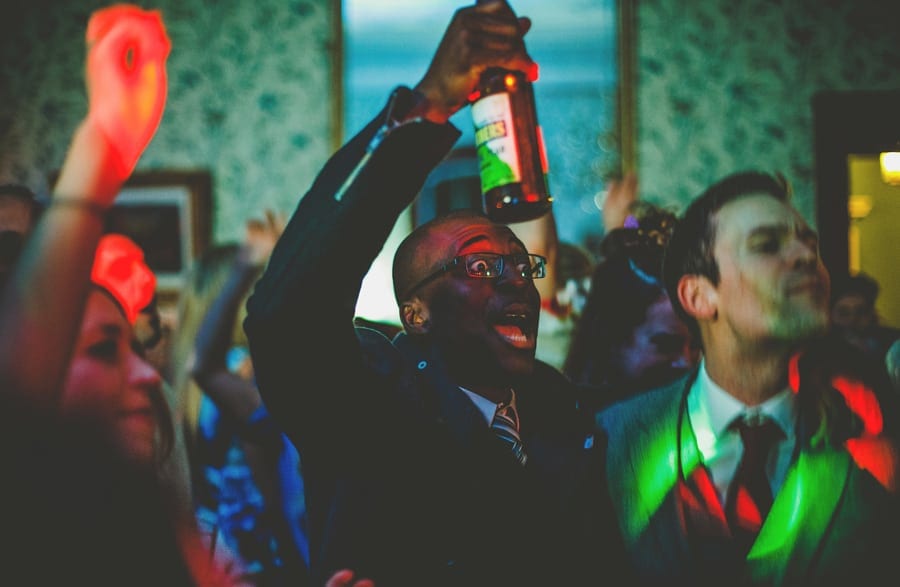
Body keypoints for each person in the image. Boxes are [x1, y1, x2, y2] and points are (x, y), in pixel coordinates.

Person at [243, 1, 622, 585]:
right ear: (414, 312)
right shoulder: (372, 400)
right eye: (477, 266)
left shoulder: (561, 407)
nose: (514, 280)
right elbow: (286, 316)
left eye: (521, 266)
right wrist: (428, 106)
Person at [596, 170, 900, 585]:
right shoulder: (614, 439)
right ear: (699, 296)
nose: (806, 256)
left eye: (810, 243)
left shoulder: (873, 439)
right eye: (766, 245)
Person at [564, 204, 698, 414]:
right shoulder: (567, 430)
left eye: (698, 346)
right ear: (612, 339)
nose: (687, 363)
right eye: (666, 345)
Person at [830, 272, 900, 361]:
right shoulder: (822, 349)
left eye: (861, 312)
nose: (852, 319)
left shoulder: (894, 345)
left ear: (872, 313)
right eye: (844, 313)